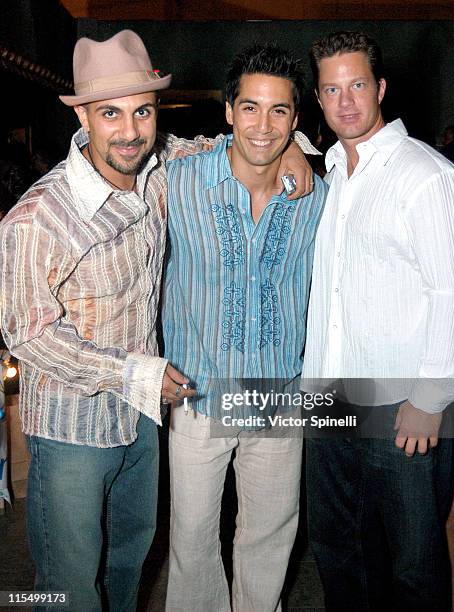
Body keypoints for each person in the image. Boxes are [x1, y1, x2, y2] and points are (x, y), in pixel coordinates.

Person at [0, 30, 314, 611]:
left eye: (141, 111)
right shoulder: (38, 216)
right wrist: (136, 374)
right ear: (84, 119)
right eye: (110, 113)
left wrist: (293, 144)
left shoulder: (161, 168)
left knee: (129, 565)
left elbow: (238, 141)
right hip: (74, 427)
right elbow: (26, 333)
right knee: (68, 586)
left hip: (145, 423)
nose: (128, 130)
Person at [163, 43, 327, 611]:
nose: (263, 124)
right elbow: (119, 148)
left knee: (268, 539)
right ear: (228, 111)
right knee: (190, 543)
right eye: (250, 107)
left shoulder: (316, 199)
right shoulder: (176, 183)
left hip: (278, 398)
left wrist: (303, 155)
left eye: (279, 111)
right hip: (198, 395)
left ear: (296, 119)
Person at [301, 31, 454, 611]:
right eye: (331, 90)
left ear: (381, 88)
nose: (346, 102)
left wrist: (431, 397)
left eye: (358, 86)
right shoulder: (332, 179)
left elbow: (453, 293)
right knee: (339, 553)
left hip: (403, 408)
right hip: (331, 403)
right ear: (318, 100)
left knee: (412, 565)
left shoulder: (427, 176)